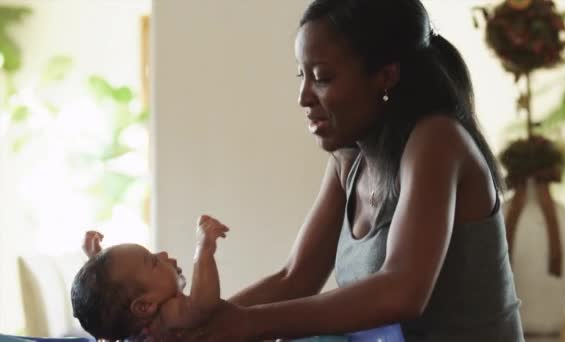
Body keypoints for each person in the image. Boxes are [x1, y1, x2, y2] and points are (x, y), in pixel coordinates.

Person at [187, 0, 525, 341]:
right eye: (301, 76)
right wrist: (191, 329)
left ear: (385, 76)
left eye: (322, 77)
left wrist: (249, 323)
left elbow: (402, 291)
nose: (304, 97)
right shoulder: (348, 161)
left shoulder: (438, 140)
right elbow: (295, 279)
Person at [70, 215, 229, 341]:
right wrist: (204, 249)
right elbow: (202, 304)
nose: (163, 254)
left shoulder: (128, 329)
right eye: (154, 262)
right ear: (145, 306)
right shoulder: (165, 317)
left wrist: (96, 259)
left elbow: (109, 296)